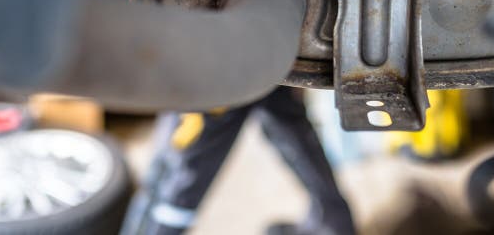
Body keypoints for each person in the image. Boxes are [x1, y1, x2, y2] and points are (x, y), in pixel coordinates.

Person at [120, 86, 355, 235]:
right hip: (267, 36)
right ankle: (334, 222)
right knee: (281, 109)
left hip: (220, 54)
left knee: (184, 167)